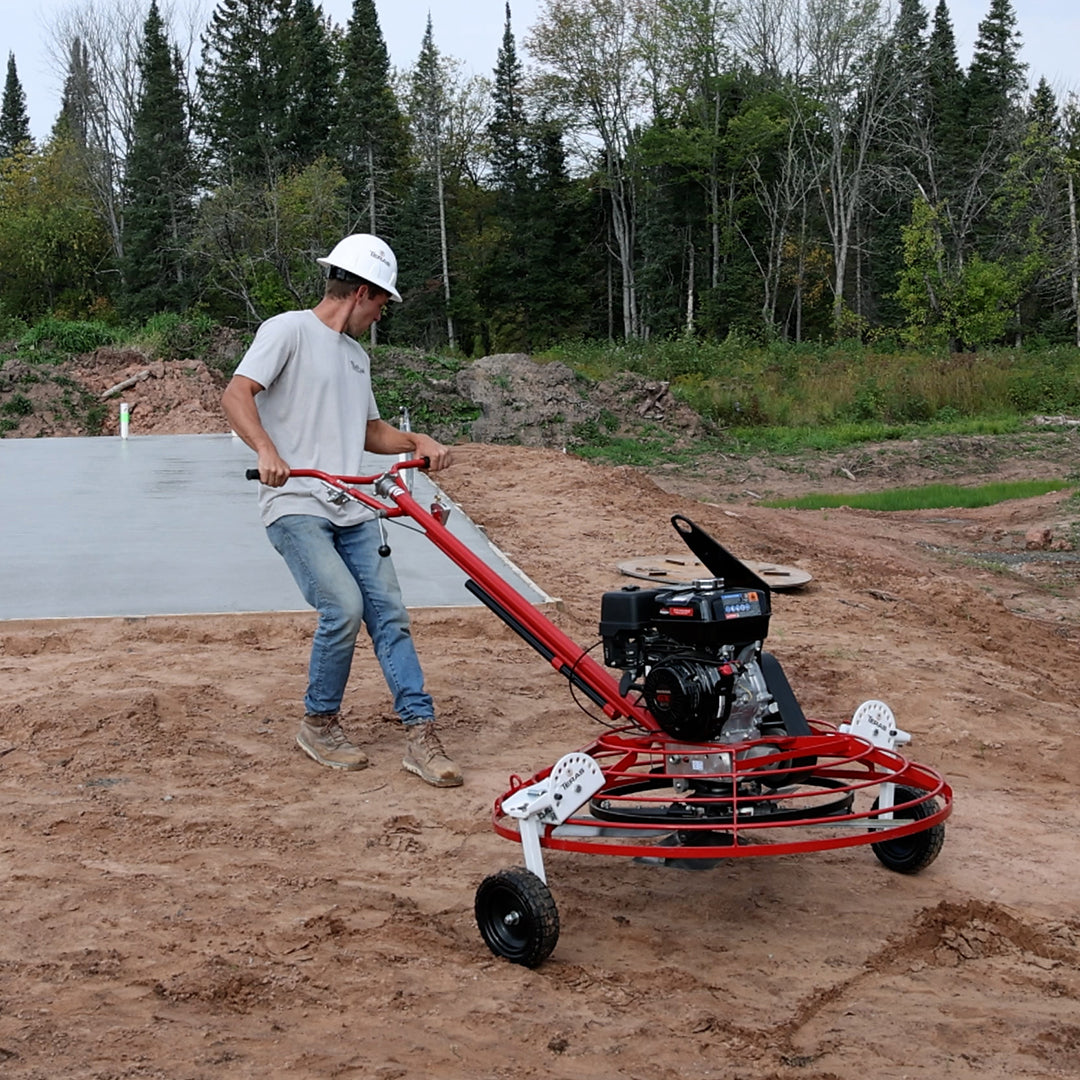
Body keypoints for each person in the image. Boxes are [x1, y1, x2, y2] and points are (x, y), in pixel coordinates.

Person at [221, 233, 462, 787]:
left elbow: (370, 431)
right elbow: (237, 394)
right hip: (295, 502)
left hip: (351, 505)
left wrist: (416, 439)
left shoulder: (355, 358)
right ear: (361, 292)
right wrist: (267, 450)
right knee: (343, 606)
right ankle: (319, 722)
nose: (380, 316)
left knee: (389, 614)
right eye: (381, 304)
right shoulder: (287, 331)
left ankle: (420, 734)